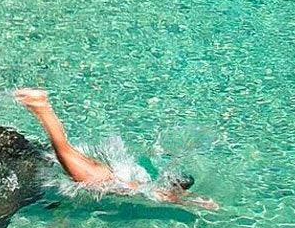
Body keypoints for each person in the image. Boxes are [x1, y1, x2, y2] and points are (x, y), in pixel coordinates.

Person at [14, 88, 220, 210]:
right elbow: (177, 200)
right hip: (100, 180)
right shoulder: (158, 192)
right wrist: (202, 204)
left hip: (105, 174)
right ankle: (41, 106)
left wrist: (198, 202)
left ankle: (40, 107)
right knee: (64, 151)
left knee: (67, 152)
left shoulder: (150, 185)